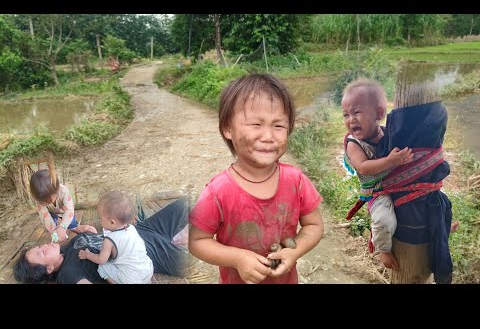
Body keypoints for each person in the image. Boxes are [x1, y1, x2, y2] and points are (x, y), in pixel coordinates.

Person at [189, 73, 324, 284]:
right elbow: (197, 241)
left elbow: (314, 225)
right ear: (227, 128)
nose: (268, 136)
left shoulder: (295, 180)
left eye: (278, 126)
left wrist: (294, 252)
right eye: (256, 124)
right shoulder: (218, 192)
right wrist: (238, 258)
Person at [13, 196, 189, 284]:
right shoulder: (68, 275)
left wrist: (82, 229)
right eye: (41, 252)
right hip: (153, 253)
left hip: (140, 230)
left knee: (186, 203)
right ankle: (176, 239)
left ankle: (176, 237)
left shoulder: (64, 250)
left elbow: (90, 240)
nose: (44, 245)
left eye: (39, 246)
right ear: (49, 268)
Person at [341, 78, 414, 270]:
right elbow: (363, 167)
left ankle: (442, 228)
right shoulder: (353, 144)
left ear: (379, 113)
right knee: (383, 220)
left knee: (430, 201)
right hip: (377, 193)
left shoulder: (385, 134)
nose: (351, 120)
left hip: (398, 185)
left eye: (356, 112)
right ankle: (383, 249)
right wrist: (392, 160)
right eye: (346, 115)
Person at [77, 192, 153, 284]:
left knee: (103, 268)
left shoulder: (109, 240)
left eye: (101, 218)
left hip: (130, 280)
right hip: (147, 272)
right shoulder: (132, 229)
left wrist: (87, 255)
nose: (99, 220)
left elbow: (101, 260)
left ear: (112, 222)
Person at [30, 169, 96, 242]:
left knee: (71, 222)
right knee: (51, 224)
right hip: (50, 212)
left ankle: (75, 227)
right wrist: (55, 231)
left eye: (48, 201)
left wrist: (62, 227)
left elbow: (69, 211)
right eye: (42, 201)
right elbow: (45, 217)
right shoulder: (40, 200)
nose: (45, 203)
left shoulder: (63, 191)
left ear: (57, 190)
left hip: (64, 210)